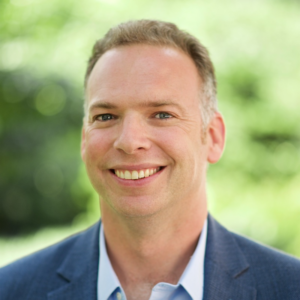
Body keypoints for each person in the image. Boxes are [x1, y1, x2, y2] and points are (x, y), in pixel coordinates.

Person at [0, 20, 299, 300]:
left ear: (214, 137)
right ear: (84, 139)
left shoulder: (290, 287)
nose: (130, 141)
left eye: (162, 114)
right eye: (105, 116)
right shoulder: (11, 290)